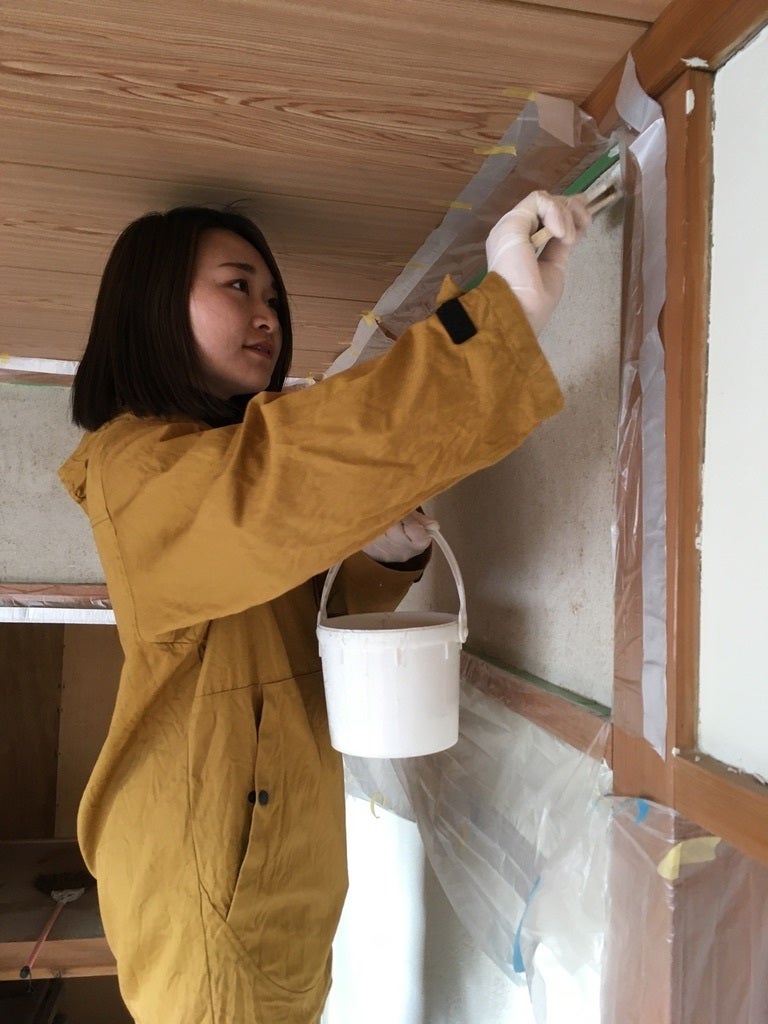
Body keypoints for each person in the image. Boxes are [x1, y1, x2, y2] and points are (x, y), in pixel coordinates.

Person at [59, 191, 589, 1023]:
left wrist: (384, 556)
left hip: (251, 872)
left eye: (272, 297)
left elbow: (295, 614)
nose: (267, 315)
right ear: (152, 304)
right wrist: (498, 318)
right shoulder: (138, 467)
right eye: (238, 285)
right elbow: (295, 465)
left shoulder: (203, 466)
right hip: (213, 884)